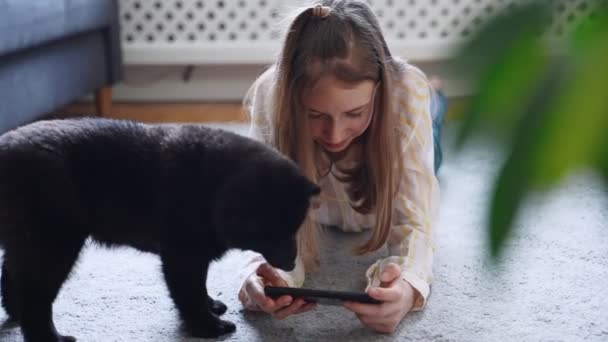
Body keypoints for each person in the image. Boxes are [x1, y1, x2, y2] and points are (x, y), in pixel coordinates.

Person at [238, 0, 446, 334]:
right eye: (315, 115)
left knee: (434, 139)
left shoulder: (403, 95)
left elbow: (416, 223)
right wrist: (262, 272)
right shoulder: (270, 95)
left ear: (379, 92)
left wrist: (406, 286)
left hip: (403, 131)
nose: (334, 135)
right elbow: (261, 213)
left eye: (354, 112)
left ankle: (438, 98)